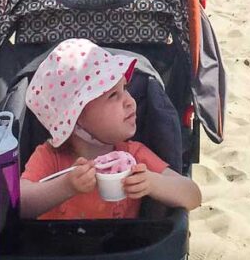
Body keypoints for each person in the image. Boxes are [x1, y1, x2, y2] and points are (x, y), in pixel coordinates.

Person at [19, 39, 201, 220]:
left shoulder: (133, 156)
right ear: (76, 118)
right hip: (56, 246)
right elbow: (17, 204)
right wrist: (66, 186)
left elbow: (193, 195)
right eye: (113, 95)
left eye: (125, 88)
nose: (130, 101)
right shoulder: (50, 158)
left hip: (124, 246)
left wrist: (152, 183)